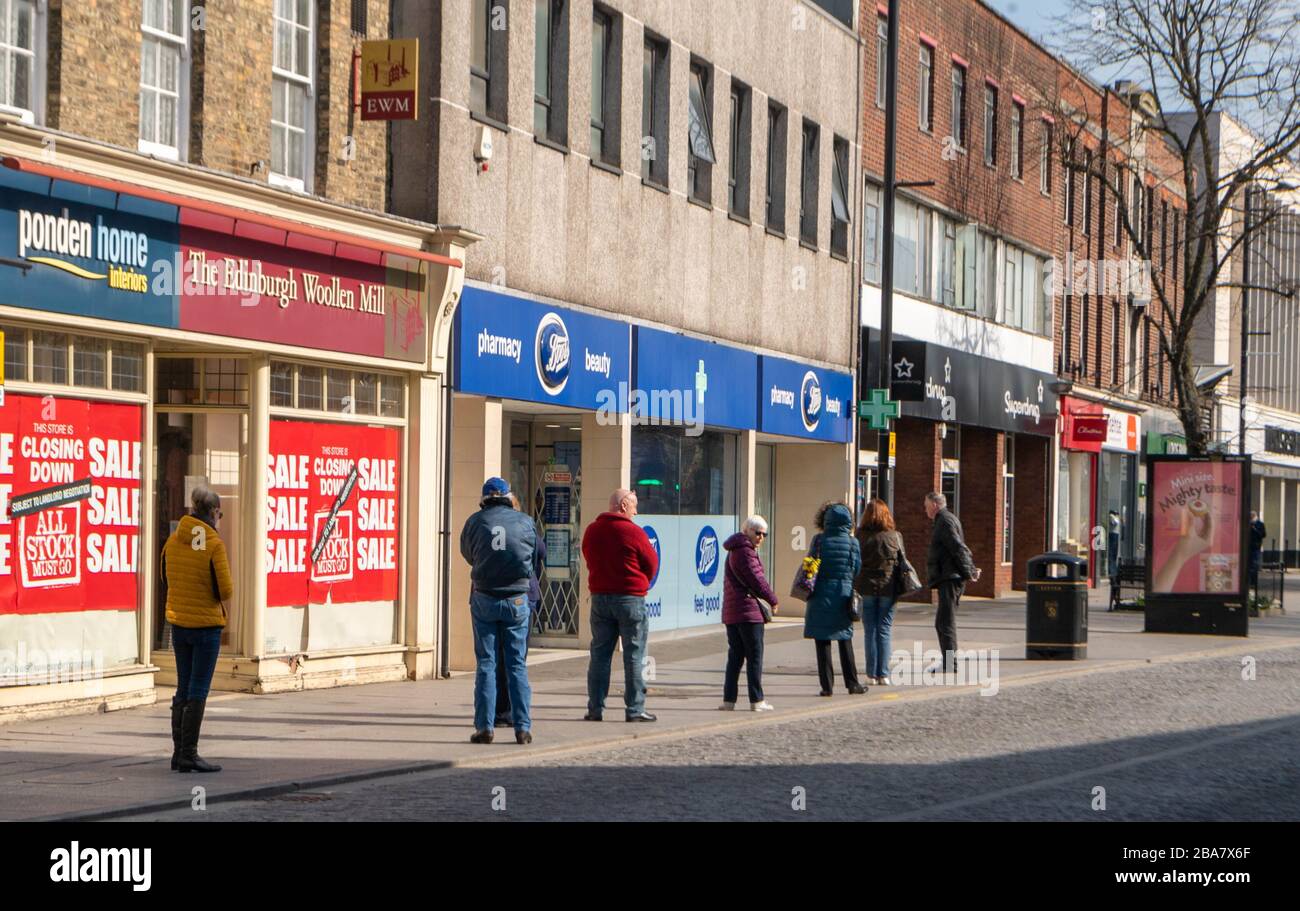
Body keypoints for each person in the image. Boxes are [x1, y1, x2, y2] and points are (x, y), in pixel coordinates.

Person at [160, 486, 233, 773]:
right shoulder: (213, 543)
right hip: (205, 626)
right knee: (198, 688)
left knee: (183, 686)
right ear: (213, 512)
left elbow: (166, 578)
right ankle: (189, 753)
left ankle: (179, 754)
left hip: (179, 624)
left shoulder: (174, 540)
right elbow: (225, 590)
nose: (220, 517)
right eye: (220, 513)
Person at [460, 477, 536, 745]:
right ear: (507, 496)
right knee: (517, 664)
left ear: (484, 498)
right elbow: (535, 554)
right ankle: (523, 727)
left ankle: (485, 727)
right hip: (516, 597)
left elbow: (468, 554)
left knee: (486, 664)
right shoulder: (525, 521)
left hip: (485, 596)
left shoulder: (475, 521)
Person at [581, 489, 659, 722]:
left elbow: (588, 556)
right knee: (635, 654)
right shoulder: (633, 532)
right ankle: (635, 709)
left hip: (600, 598)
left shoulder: (592, 531)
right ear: (624, 506)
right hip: (630, 599)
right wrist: (640, 580)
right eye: (634, 506)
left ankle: (595, 708)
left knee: (599, 655)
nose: (636, 511)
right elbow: (651, 564)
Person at [494, 494, 546, 727]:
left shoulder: (484, 523)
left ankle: (496, 712)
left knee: (494, 659)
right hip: (521, 595)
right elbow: (541, 552)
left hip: (489, 596)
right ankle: (516, 715)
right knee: (516, 659)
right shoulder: (525, 525)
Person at [804, 502, 866, 697]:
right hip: (843, 594)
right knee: (844, 638)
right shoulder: (852, 543)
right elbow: (856, 569)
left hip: (820, 595)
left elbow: (810, 566)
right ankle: (852, 683)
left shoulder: (819, 541)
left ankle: (827, 686)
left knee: (822, 641)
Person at [720, 516, 778, 712]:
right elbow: (757, 580)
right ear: (747, 531)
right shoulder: (745, 552)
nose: (761, 537)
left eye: (764, 534)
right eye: (758, 532)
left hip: (732, 612)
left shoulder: (734, 550)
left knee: (735, 657)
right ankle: (757, 700)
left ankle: (729, 700)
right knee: (754, 656)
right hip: (747, 612)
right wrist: (773, 599)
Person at [854, 498, 910, 685]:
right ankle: (883, 674)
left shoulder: (860, 535)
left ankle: (871, 674)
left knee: (870, 630)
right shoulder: (894, 536)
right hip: (888, 587)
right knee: (884, 629)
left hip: (866, 586)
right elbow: (903, 562)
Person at [924, 491, 979, 675]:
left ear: (934, 505)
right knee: (942, 622)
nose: (925, 510)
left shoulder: (945, 521)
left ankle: (950, 664)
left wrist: (969, 571)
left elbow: (958, 547)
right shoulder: (944, 519)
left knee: (945, 622)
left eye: (926, 505)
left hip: (950, 577)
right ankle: (948, 662)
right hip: (949, 576)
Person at [1250, 511, 1267, 594]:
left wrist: (1255, 529)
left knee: (1254, 564)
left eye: (1252, 516)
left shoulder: (1260, 524)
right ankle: (1249, 581)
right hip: (1248, 547)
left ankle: (1253, 582)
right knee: (1249, 565)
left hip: (1256, 546)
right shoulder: (1248, 524)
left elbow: (1263, 535)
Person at [1107, 510, 1122, 578]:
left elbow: (1115, 523)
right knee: (1112, 553)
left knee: (1113, 554)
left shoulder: (1114, 517)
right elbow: (1114, 522)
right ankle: (1111, 570)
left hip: (1114, 535)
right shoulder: (1112, 517)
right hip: (1113, 535)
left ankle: (1112, 570)